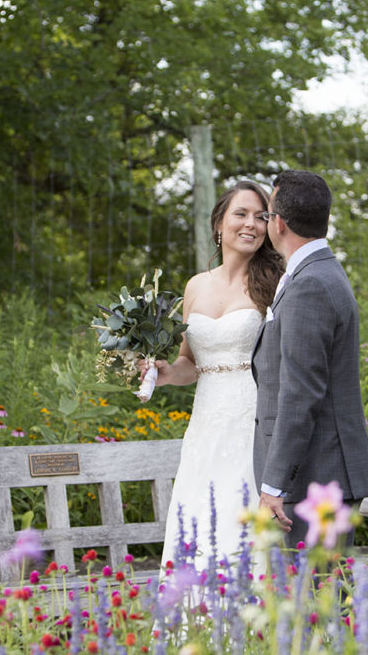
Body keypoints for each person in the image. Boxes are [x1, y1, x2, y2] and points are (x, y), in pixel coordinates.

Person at [143, 180, 283, 572]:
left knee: (244, 522)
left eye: (261, 216)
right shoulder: (195, 286)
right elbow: (192, 362)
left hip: (252, 419)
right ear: (219, 224)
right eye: (241, 214)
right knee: (201, 516)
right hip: (206, 423)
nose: (251, 224)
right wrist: (168, 372)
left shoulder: (274, 282)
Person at [252, 169, 368, 549]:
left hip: (315, 479)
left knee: (314, 602)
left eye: (267, 214)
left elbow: (299, 394)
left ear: (279, 224)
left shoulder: (310, 284)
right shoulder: (317, 272)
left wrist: (274, 485)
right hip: (315, 475)